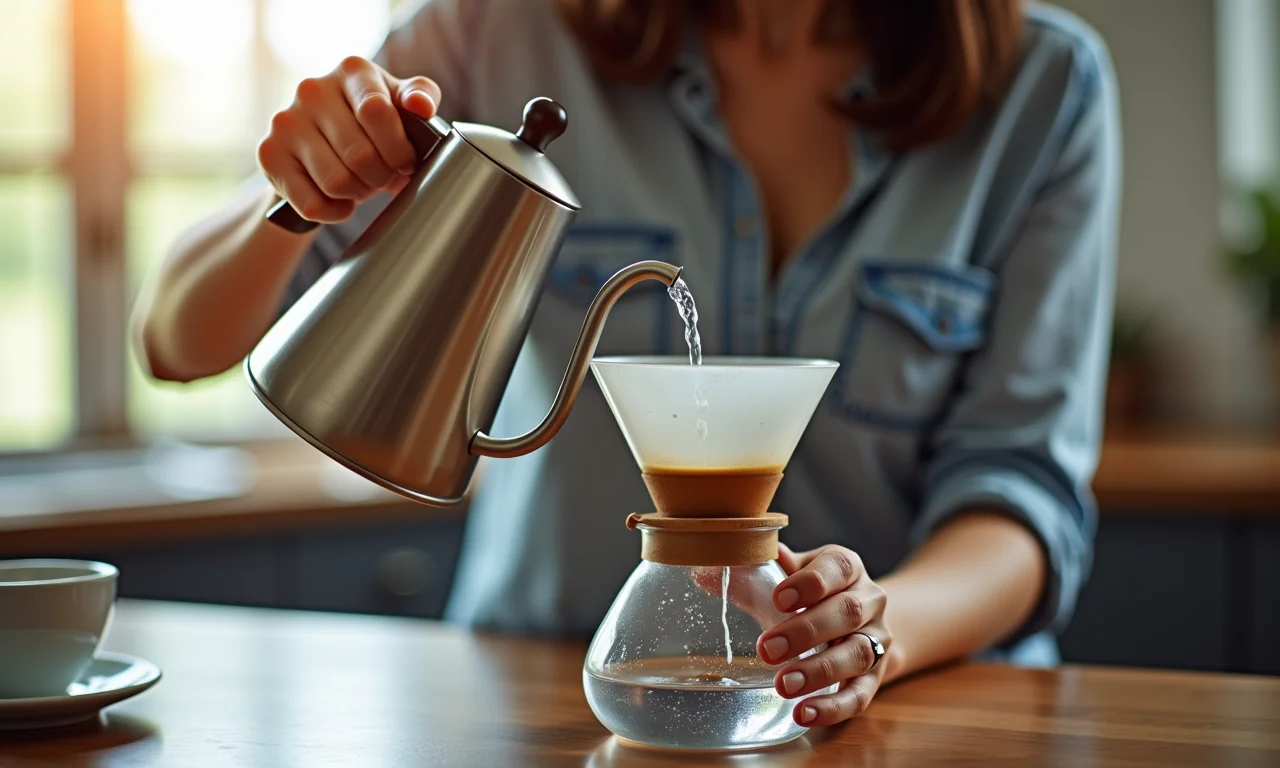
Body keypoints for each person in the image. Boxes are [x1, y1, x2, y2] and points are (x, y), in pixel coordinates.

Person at [132, 0, 1119, 728]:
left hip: (896, 721)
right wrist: (300, 188)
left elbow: (1017, 489)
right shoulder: (495, 31)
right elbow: (177, 341)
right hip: (539, 705)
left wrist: (868, 632)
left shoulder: (1043, 89)